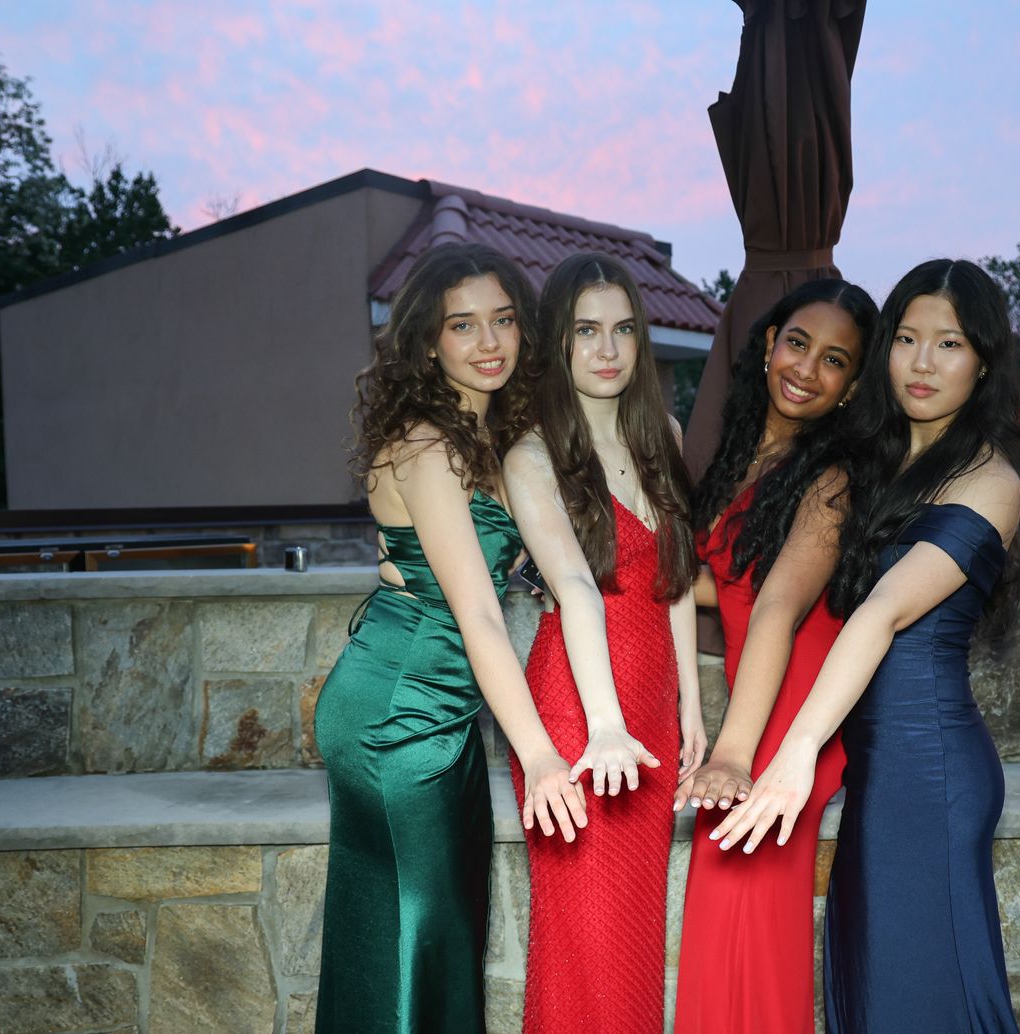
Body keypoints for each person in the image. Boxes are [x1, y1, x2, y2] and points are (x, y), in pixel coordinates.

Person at [709, 259, 1020, 1033]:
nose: (923, 362)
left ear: (983, 361)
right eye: (906, 339)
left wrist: (794, 755)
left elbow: (883, 612)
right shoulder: (862, 466)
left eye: (949, 344)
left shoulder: (990, 477)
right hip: (880, 774)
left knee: (926, 1003)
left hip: (933, 772)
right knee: (875, 1000)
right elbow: (776, 595)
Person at [313, 242, 587, 1034]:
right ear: (427, 342)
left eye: (503, 319)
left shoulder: (485, 436)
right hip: (396, 713)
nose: (489, 341)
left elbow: (499, 570)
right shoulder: (427, 443)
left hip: (446, 712)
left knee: (437, 931)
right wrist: (539, 756)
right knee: (422, 932)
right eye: (462, 325)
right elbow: (476, 613)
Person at [502, 252, 703, 1034]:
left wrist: (689, 708)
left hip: (649, 717)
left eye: (623, 330)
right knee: (584, 943)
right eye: (587, 331)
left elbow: (674, 578)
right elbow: (577, 588)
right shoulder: (531, 456)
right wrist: (605, 725)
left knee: (633, 941)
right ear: (556, 339)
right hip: (579, 719)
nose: (608, 350)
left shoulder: (663, 435)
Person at [670, 279, 877, 1034]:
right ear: (768, 344)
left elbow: (778, 608)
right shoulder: (746, 456)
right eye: (798, 343)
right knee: (723, 931)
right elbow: (722, 584)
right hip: (759, 705)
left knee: (750, 931)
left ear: (852, 385)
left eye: (835, 360)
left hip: (790, 729)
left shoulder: (833, 477)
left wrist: (733, 753)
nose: (807, 369)